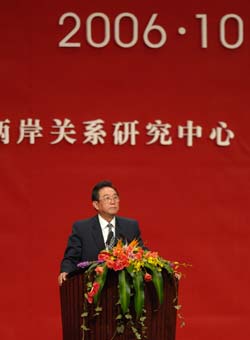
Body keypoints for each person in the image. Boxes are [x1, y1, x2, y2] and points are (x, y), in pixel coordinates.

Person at [58, 180, 145, 286]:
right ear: (96, 204)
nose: (113, 201)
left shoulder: (130, 226)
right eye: (107, 198)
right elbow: (71, 258)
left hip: (125, 288)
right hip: (92, 286)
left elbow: (141, 252)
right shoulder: (82, 228)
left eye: (115, 197)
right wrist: (65, 271)